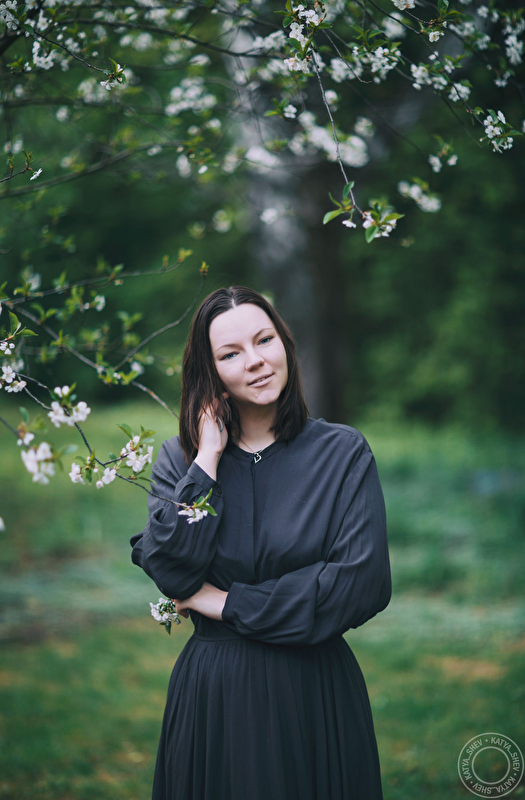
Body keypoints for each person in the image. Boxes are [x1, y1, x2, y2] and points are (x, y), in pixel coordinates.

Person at [130, 285, 392, 800]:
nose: (255, 361)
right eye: (230, 353)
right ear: (209, 373)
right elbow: (172, 570)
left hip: (314, 691)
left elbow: (359, 585)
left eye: (264, 340)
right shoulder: (180, 461)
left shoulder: (343, 453)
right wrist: (207, 458)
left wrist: (221, 601)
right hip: (216, 695)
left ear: (285, 344)